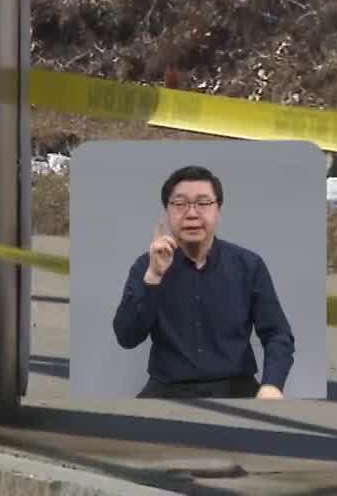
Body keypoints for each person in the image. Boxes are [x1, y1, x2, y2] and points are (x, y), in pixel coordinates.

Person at [111, 165, 294, 399]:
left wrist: (272, 385)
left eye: (203, 203)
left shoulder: (248, 265)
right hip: (168, 389)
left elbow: (278, 334)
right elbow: (126, 337)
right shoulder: (146, 266)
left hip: (236, 388)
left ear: (218, 210)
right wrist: (153, 277)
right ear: (167, 212)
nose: (191, 213)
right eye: (180, 204)